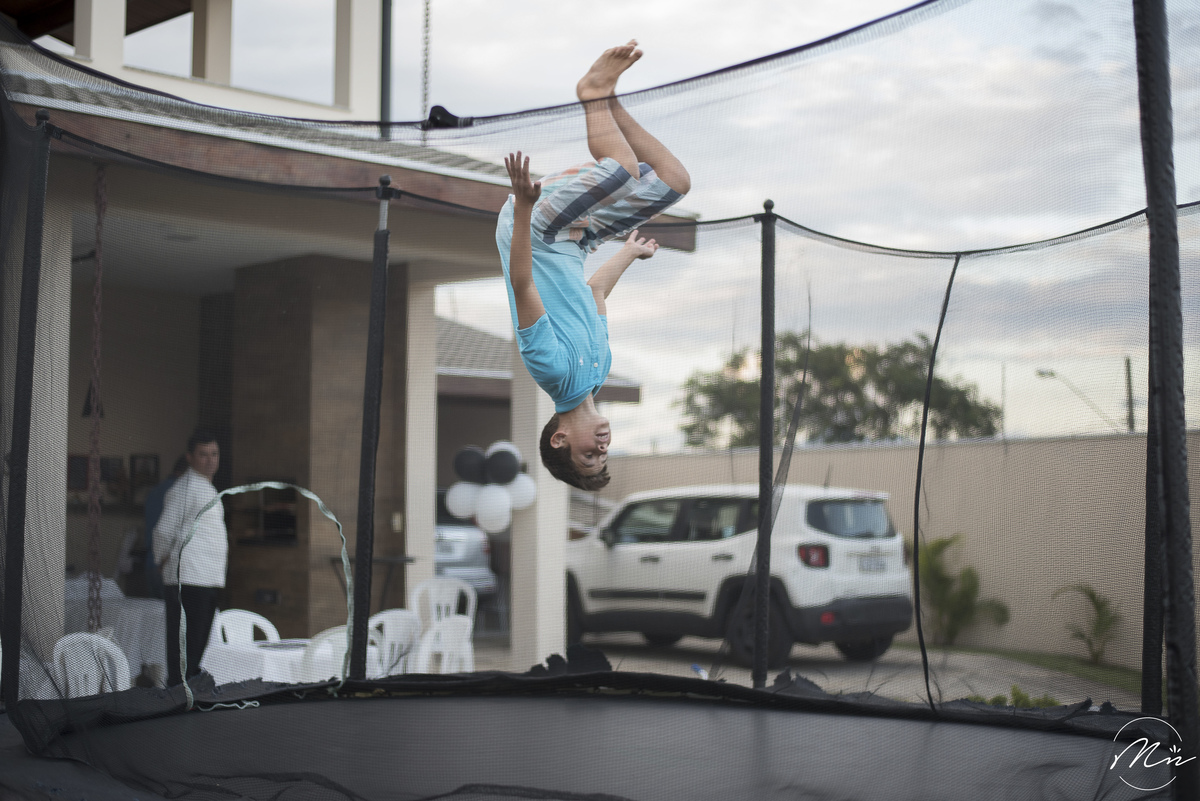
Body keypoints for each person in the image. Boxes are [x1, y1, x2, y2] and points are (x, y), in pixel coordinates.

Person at [497, 40, 690, 490]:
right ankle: (609, 102)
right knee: (673, 182)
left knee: (621, 169)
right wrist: (628, 252)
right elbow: (595, 292)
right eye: (604, 456)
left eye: (589, 455)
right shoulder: (597, 371)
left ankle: (591, 91)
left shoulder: (551, 370)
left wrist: (524, 207)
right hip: (578, 242)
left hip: (537, 231)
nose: (602, 448)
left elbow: (522, 284)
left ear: (560, 438)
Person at [153, 429, 228, 686]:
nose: (210, 460)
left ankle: (189, 692)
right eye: (203, 455)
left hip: (206, 577)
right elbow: (164, 529)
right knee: (185, 643)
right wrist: (161, 558)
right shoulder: (184, 488)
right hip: (187, 576)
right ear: (190, 457)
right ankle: (179, 693)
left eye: (214, 454)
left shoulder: (206, 487)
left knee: (196, 643)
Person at [141, 455, 187, 599]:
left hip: (150, 563)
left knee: (155, 617)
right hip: (169, 566)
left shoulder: (154, 492)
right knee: (174, 618)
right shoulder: (180, 493)